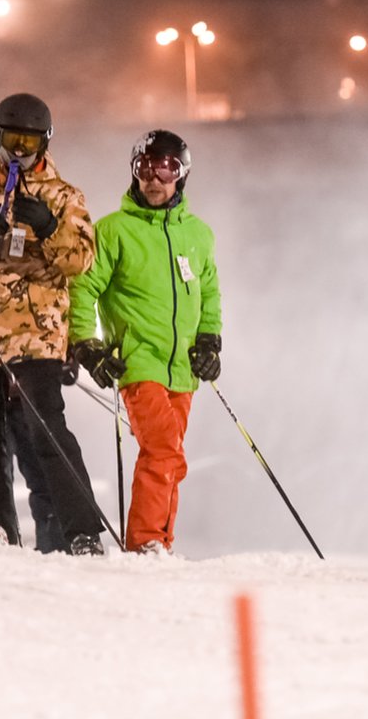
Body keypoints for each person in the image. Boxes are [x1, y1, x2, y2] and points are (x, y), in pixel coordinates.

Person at [0, 93, 105, 556]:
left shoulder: (64, 196)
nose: (21, 152)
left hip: (36, 337)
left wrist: (49, 228)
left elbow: (80, 260)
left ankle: (78, 531)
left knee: (45, 430)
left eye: (31, 142)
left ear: (46, 143)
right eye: (13, 141)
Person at [69, 130, 222, 555]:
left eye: (166, 168)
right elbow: (83, 289)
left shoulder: (199, 235)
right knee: (163, 450)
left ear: (182, 174)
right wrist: (88, 345)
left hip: (182, 368)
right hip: (138, 361)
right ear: (134, 173)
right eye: (145, 168)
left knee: (169, 456)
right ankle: (147, 541)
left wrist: (209, 341)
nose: (155, 179)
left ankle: (161, 542)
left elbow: (208, 292)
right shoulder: (114, 231)